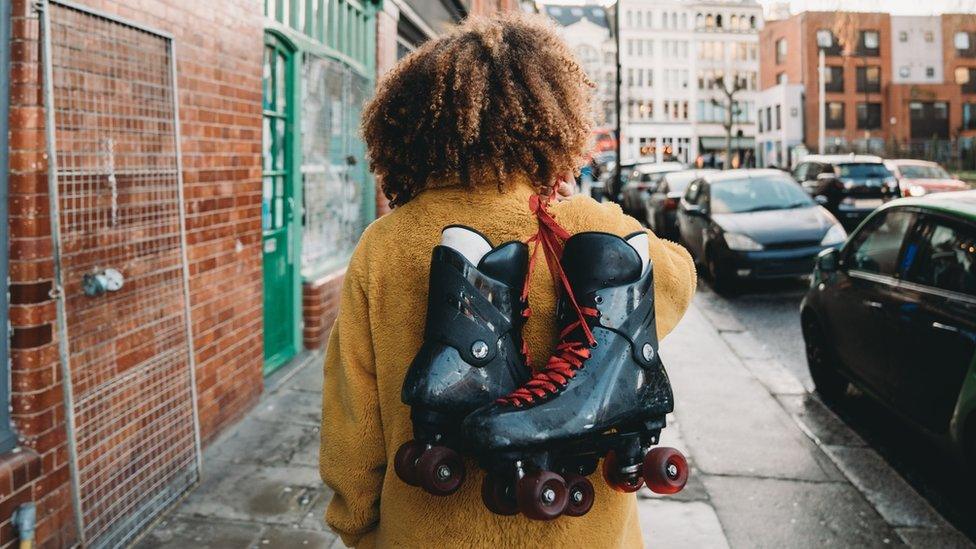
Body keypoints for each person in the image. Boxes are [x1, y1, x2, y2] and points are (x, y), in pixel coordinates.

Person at [319, 13, 696, 547]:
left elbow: (351, 417)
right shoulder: (589, 223)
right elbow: (677, 278)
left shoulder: (385, 244)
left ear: (409, 129)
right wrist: (592, 208)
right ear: (553, 117)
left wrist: (357, 526)